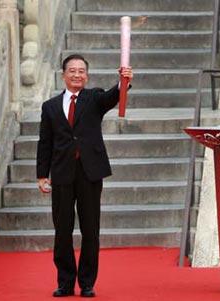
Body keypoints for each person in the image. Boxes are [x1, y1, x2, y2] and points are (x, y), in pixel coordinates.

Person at [36, 54, 133, 298]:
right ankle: (65, 282)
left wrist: (123, 82)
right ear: (63, 75)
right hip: (62, 173)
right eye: (72, 70)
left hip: (90, 172)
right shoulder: (49, 107)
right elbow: (45, 142)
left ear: (86, 75)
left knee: (91, 230)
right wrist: (41, 175)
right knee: (62, 231)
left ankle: (87, 283)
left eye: (81, 71)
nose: (77, 74)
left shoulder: (93, 98)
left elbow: (112, 96)